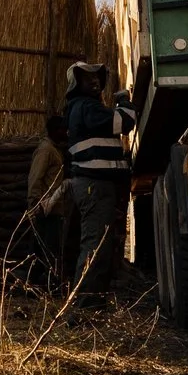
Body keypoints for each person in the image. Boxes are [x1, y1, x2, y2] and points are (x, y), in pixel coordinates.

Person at [61, 61, 137, 303]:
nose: (94, 81)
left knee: (98, 246)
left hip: (96, 185)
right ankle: (84, 307)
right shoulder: (86, 107)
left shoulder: (83, 107)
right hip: (94, 185)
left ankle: (91, 304)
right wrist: (124, 101)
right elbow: (124, 122)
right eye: (87, 78)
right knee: (96, 247)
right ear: (77, 84)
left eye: (97, 77)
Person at [24, 113, 73, 286]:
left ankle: (36, 284)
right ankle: (41, 284)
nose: (65, 133)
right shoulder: (46, 150)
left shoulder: (55, 149)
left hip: (53, 207)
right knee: (45, 249)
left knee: (44, 247)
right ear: (55, 131)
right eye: (62, 130)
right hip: (45, 207)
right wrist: (35, 202)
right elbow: (35, 177)